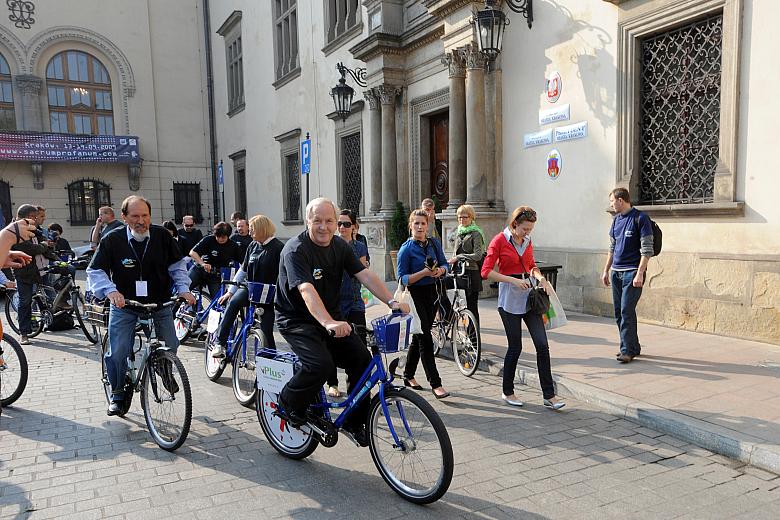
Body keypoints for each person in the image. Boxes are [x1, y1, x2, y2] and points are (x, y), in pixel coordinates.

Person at [275, 197, 408, 445]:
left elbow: (364, 274)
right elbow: (306, 289)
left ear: (337, 223)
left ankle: (354, 422)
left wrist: (392, 302)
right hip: (297, 319)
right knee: (321, 365)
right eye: (317, 221)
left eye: (329, 221)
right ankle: (288, 402)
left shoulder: (340, 246)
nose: (323, 227)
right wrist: (327, 322)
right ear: (307, 221)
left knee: (362, 361)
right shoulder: (296, 250)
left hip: (332, 317)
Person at [86, 196, 196, 416]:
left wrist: (183, 288)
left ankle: (164, 368)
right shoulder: (112, 239)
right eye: (135, 216)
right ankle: (117, 392)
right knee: (118, 352)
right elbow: (95, 271)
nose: (141, 220)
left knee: (171, 343)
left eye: (145, 215)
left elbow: (177, 266)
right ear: (124, 217)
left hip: (159, 303)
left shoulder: (163, 236)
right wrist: (111, 291)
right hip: (126, 304)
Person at [481, 206, 565, 410]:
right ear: (514, 224)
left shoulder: (527, 241)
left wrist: (541, 278)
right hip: (509, 299)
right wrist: (511, 280)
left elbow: (530, 265)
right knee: (515, 347)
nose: (527, 233)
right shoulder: (499, 240)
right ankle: (507, 391)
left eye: (530, 229)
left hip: (529, 297)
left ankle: (549, 395)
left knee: (542, 346)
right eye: (525, 229)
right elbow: (486, 271)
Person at [397, 209, 450, 399]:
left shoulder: (434, 243)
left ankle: (408, 374)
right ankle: (436, 383)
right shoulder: (406, 249)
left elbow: (445, 263)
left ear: (428, 225)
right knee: (426, 339)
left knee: (418, 337)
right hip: (415, 296)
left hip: (433, 294)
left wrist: (441, 271)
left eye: (423, 223)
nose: (420, 227)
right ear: (411, 225)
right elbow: (402, 279)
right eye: (416, 223)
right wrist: (424, 273)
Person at [212, 215, 283, 358]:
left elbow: (283, 275)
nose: (249, 233)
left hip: (267, 294)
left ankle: (271, 363)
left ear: (262, 229)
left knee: (266, 330)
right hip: (249, 287)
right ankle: (220, 342)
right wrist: (230, 292)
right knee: (233, 303)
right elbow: (243, 270)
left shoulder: (278, 248)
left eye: (252, 229)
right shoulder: (252, 245)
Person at [601, 188, 654, 364]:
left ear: (621, 200)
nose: (611, 204)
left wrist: (640, 273)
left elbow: (647, 249)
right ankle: (633, 346)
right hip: (616, 272)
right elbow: (612, 248)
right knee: (619, 312)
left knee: (626, 310)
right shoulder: (616, 221)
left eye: (612, 201)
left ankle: (627, 350)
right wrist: (606, 270)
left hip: (632, 273)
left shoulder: (641, 218)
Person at [326, 209, 369, 398]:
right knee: (332, 344)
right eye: (340, 224)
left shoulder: (359, 246)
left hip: (354, 301)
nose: (342, 227)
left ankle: (357, 390)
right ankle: (332, 383)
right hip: (335, 302)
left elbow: (360, 271)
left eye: (346, 224)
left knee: (359, 345)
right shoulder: (329, 245)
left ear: (354, 227)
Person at [11, 205, 58, 345]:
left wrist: (47, 246)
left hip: (39, 269)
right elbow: (31, 249)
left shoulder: (31, 227)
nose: (37, 219)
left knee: (44, 296)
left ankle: (46, 319)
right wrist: (44, 245)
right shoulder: (15, 230)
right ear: (30, 216)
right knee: (25, 302)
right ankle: (24, 333)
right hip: (24, 272)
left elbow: (45, 241)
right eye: (36, 216)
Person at [448, 204, 485, 328]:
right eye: (459, 217)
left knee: (472, 307)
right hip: (458, 272)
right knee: (441, 287)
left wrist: (459, 257)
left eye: (465, 217)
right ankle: (447, 322)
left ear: (471, 217)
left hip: (471, 274)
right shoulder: (459, 232)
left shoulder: (476, 233)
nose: (462, 220)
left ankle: (473, 337)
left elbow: (478, 255)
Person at [188, 221, 242, 298]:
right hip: (200, 269)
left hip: (216, 275)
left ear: (228, 236)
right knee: (184, 289)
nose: (220, 239)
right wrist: (202, 263)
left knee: (218, 300)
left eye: (223, 237)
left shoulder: (233, 246)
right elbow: (192, 252)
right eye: (218, 236)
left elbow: (243, 262)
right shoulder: (209, 239)